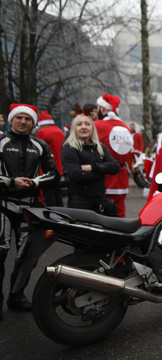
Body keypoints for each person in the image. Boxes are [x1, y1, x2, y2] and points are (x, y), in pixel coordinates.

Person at [0, 104, 59, 317]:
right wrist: (10, 181)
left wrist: (34, 183)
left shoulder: (40, 145)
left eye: (27, 119)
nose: (23, 122)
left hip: (29, 208)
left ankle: (16, 296)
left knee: (27, 256)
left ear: (33, 123)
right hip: (3, 205)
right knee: (1, 251)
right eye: (19, 118)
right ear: (11, 120)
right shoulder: (1, 143)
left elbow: (54, 174)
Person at [61, 114, 120, 215]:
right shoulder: (69, 148)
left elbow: (115, 166)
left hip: (100, 201)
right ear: (74, 128)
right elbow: (76, 174)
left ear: (92, 128)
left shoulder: (99, 146)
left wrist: (93, 167)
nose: (84, 127)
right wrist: (102, 172)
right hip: (80, 203)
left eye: (87, 124)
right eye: (79, 124)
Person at [94, 94, 133, 217]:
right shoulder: (126, 127)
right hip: (121, 179)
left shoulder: (97, 126)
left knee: (101, 217)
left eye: (98, 107)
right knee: (120, 214)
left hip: (104, 178)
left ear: (103, 109)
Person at [35, 111, 65, 206]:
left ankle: (51, 214)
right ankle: (60, 212)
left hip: (46, 169)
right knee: (57, 193)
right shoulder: (60, 131)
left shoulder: (42, 132)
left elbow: (37, 150)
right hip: (59, 168)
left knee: (49, 194)